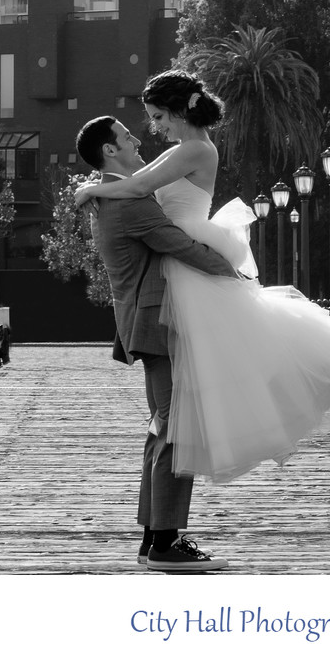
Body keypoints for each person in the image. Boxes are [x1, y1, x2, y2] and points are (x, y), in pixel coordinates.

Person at [75, 69, 330, 485]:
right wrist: (99, 186)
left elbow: (138, 188)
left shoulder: (195, 149)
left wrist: (92, 190)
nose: (155, 128)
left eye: (158, 117)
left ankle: (167, 521)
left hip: (188, 249)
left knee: (192, 395)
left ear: (178, 111)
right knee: (191, 393)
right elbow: (137, 183)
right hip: (179, 258)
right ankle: (165, 523)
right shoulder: (184, 149)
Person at [75, 114, 238, 572]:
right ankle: (166, 540)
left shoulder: (112, 195)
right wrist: (236, 274)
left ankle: (154, 535)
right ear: (110, 151)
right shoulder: (131, 202)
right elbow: (180, 245)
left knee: (162, 426)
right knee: (175, 427)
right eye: (127, 137)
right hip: (159, 323)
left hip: (147, 322)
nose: (137, 139)